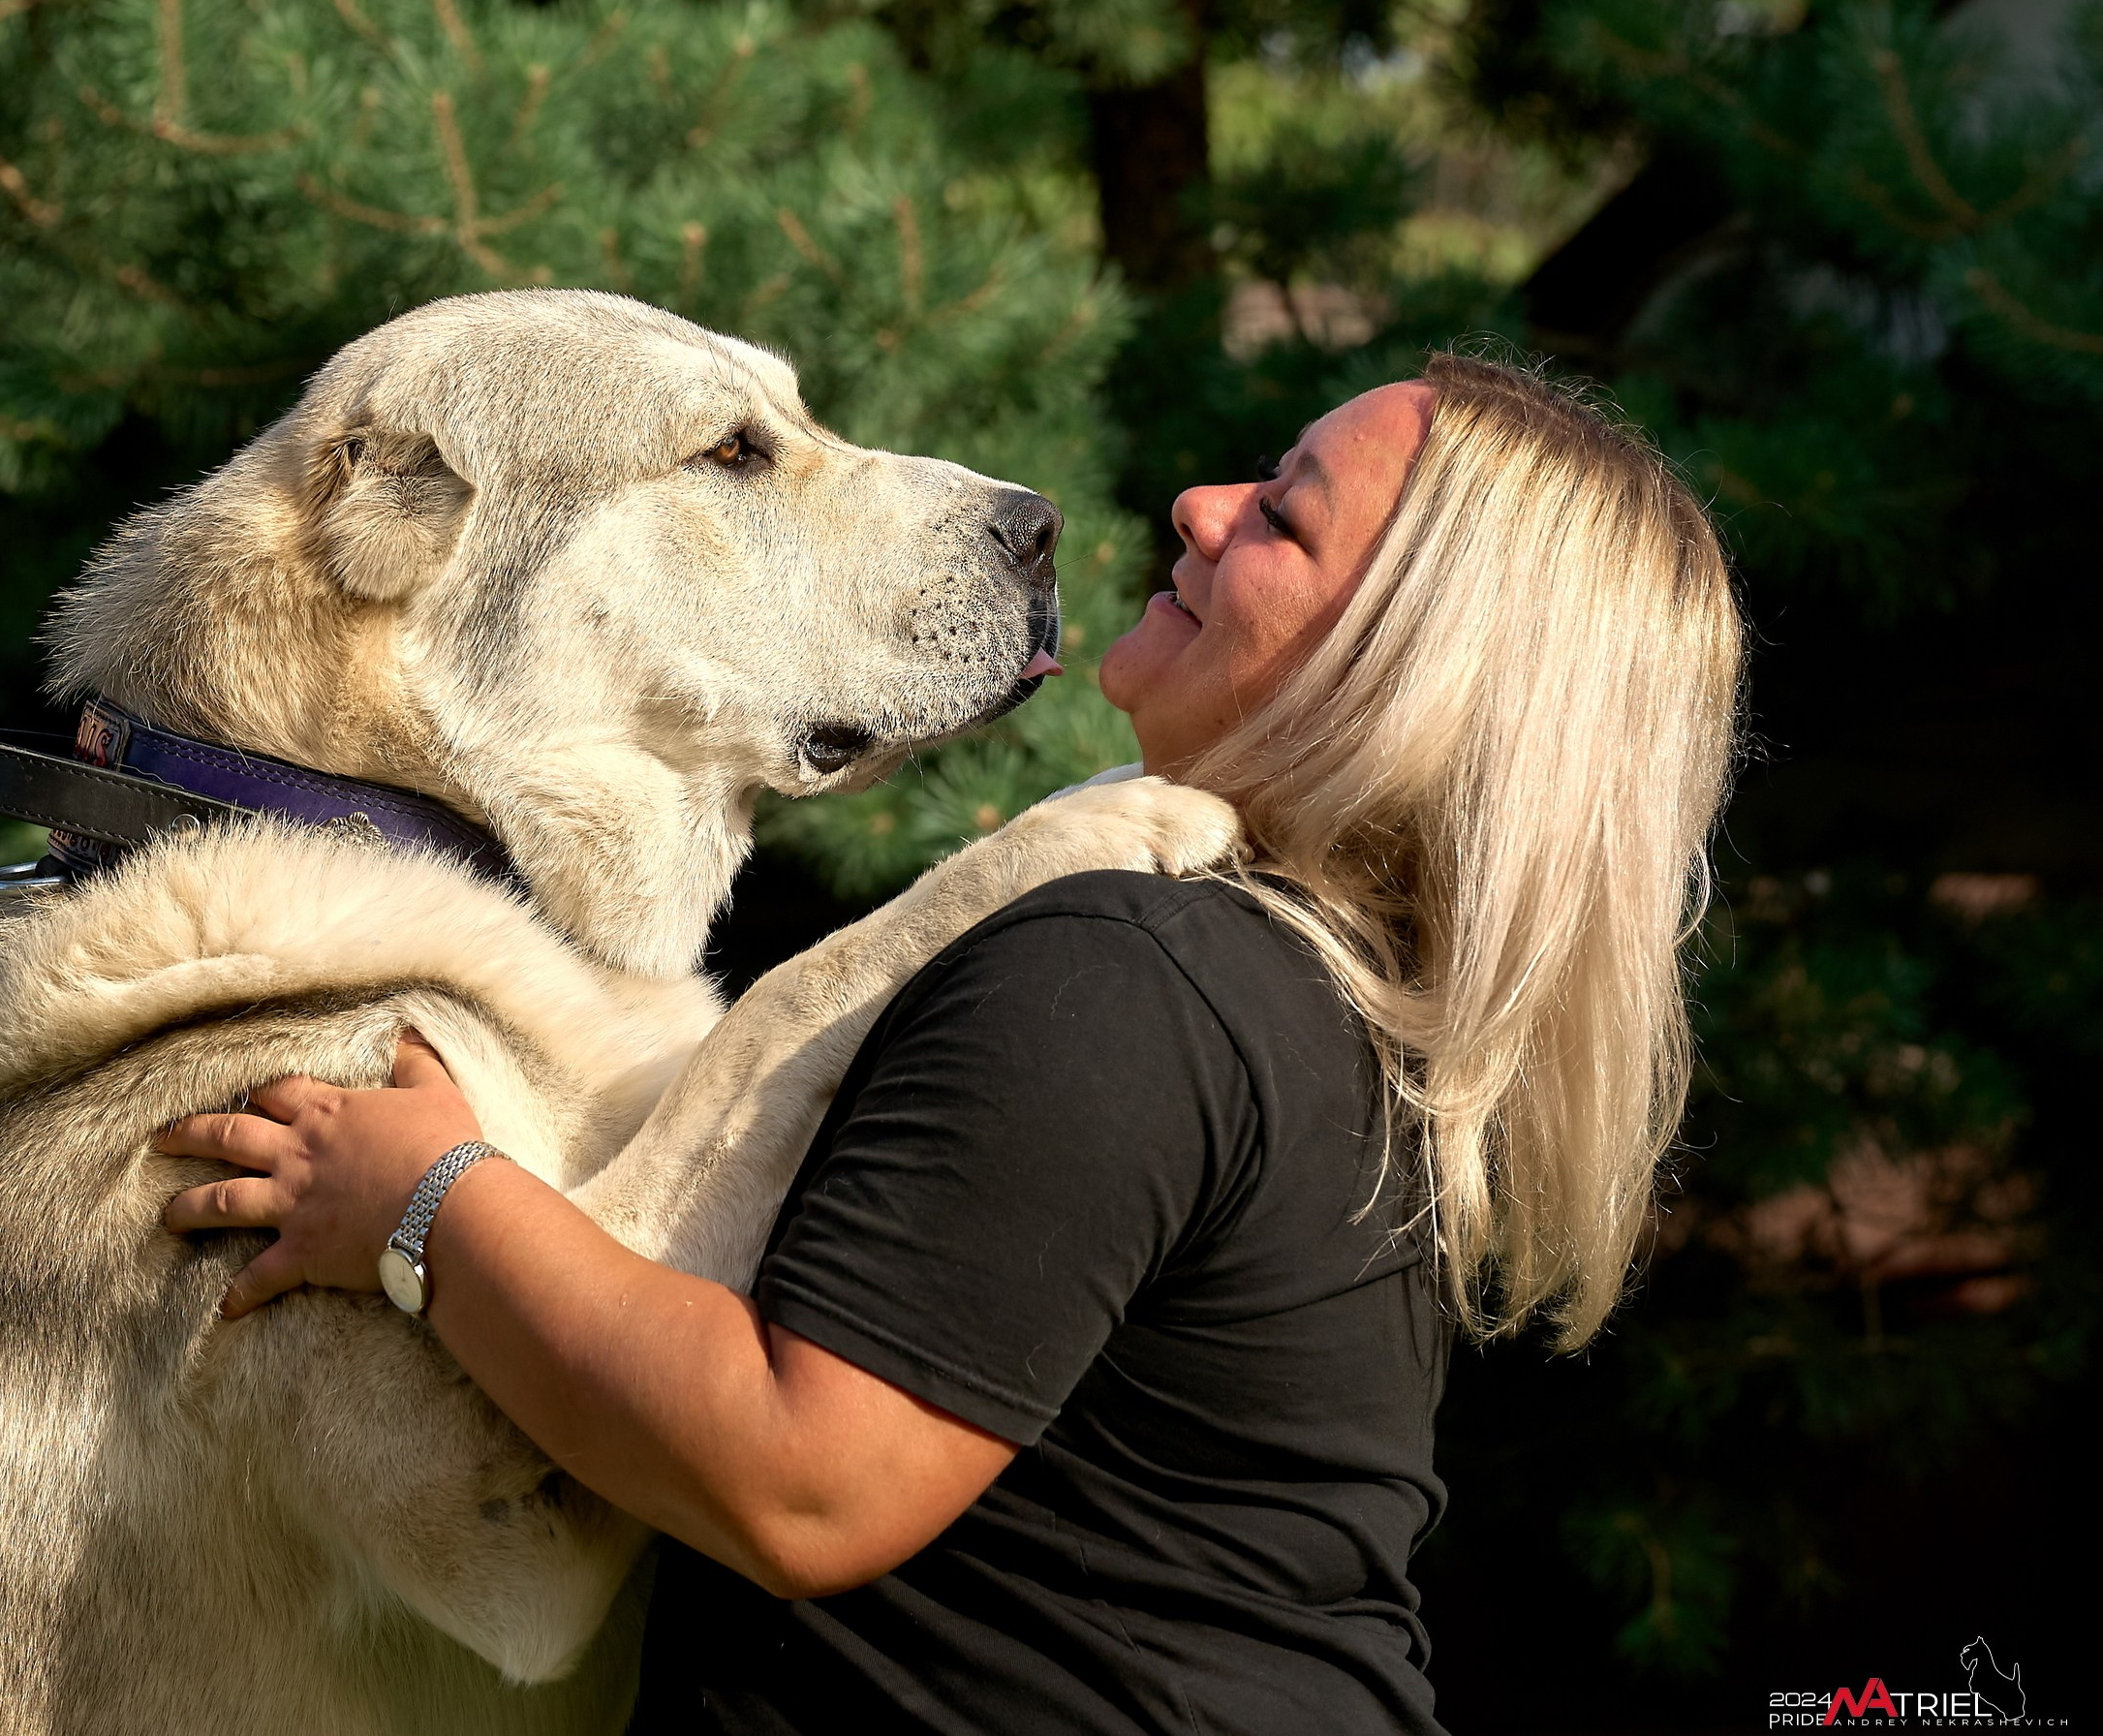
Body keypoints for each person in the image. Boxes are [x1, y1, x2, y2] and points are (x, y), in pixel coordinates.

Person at [156, 351, 1744, 1734]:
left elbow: (800, 1477)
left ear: (1407, 668)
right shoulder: (1292, 996)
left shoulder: (1132, 976)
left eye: (1283, 516)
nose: (1198, 504)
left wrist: (427, 1198)